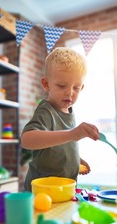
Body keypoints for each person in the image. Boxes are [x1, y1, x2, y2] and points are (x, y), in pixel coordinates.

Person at [21, 47, 100, 191]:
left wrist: (76, 160)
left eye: (76, 87)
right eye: (62, 85)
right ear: (46, 84)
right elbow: (27, 139)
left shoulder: (69, 111)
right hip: (43, 190)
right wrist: (72, 134)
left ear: (82, 88)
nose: (70, 92)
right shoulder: (46, 111)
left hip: (64, 189)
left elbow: (61, 144)